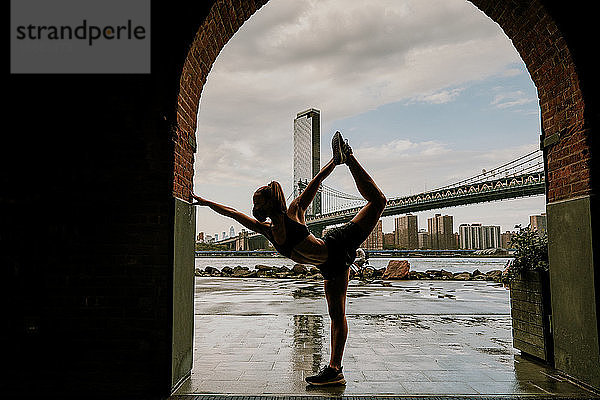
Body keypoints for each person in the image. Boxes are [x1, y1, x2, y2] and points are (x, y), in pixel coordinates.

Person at [191, 131, 386, 386]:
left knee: (379, 201)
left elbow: (315, 184)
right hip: (330, 266)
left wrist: (335, 162)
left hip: (338, 243)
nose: (254, 207)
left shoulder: (294, 211)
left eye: (257, 202)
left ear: (269, 204)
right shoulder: (268, 231)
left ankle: (348, 158)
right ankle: (334, 371)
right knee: (337, 315)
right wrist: (205, 202)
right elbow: (233, 213)